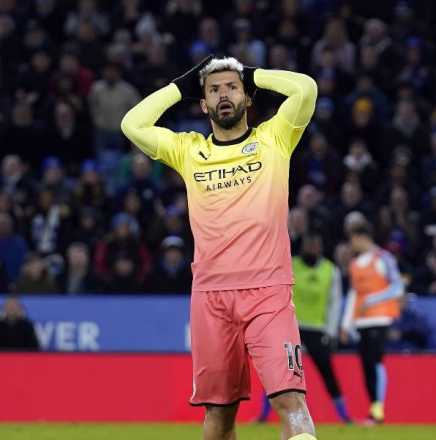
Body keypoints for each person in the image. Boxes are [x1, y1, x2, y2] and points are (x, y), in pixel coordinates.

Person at [120, 55, 318, 440]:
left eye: (232, 87)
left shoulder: (274, 138)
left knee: (291, 400)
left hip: (269, 292)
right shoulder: (188, 150)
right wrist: (182, 83)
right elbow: (132, 124)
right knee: (218, 414)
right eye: (213, 90)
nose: (223, 94)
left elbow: (305, 88)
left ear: (248, 99)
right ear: (203, 104)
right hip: (211, 296)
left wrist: (252, 73)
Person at [257, 233, 352, 423]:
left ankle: (344, 416)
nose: (312, 249)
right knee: (281, 373)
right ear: (304, 246)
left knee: (327, 372)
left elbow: (334, 303)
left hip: (317, 330)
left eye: (316, 245)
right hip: (291, 328)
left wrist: (331, 332)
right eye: (309, 245)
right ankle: (263, 415)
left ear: (321, 247)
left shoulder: (330, 270)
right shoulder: (290, 264)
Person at [341, 212, 404, 424]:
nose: (351, 245)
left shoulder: (383, 259)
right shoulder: (355, 264)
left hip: (380, 318)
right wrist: (346, 323)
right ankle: (374, 411)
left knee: (376, 362)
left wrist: (373, 299)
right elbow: (353, 294)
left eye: (352, 240)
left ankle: (378, 411)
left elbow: (397, 287)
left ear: (361, 238)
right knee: (366, 365)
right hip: (362, 322)